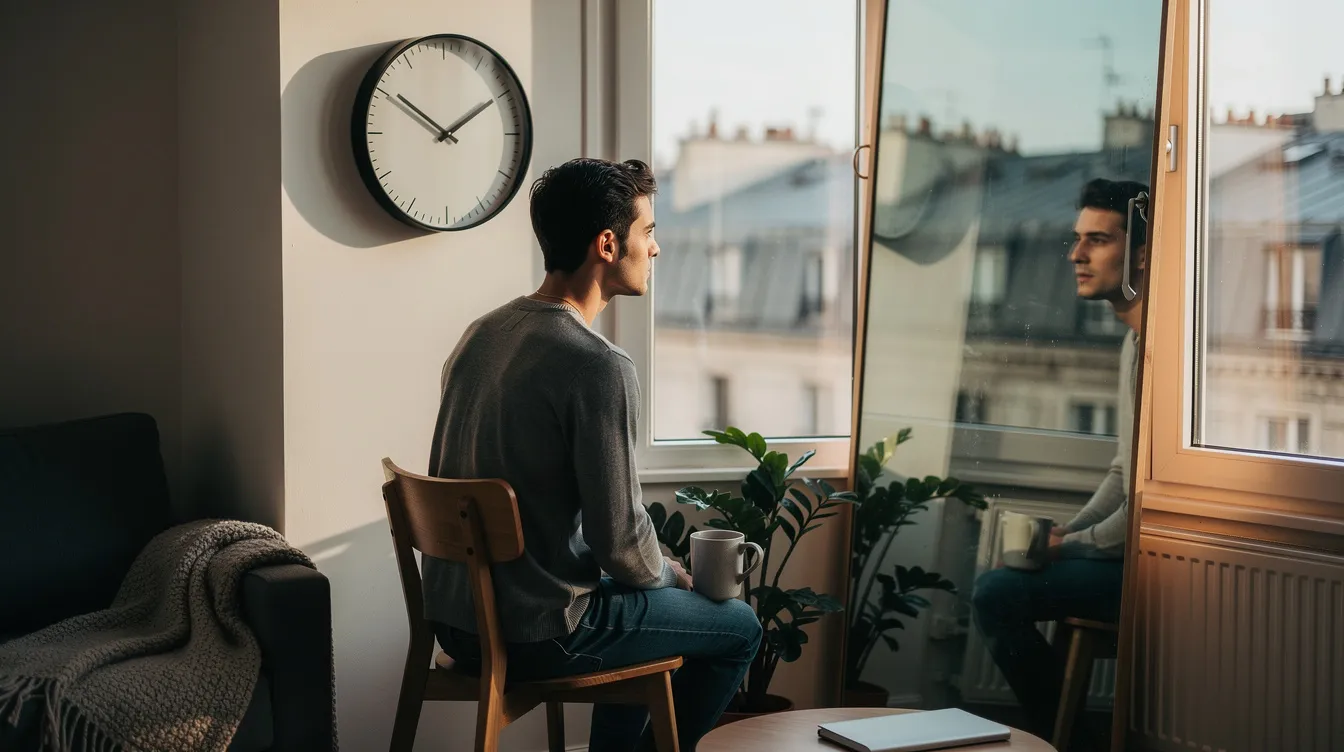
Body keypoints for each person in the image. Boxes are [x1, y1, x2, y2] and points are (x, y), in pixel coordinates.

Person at [423, 157, 762, 752]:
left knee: (631, 601)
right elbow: (624, 547)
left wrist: (644, 576)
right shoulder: (595, 364)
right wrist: (672, 573)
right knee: (738, 626)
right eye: (648, 231)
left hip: (458, 625)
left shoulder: (481, 334)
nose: (655, 249)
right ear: (608, 244)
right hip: (535, 632)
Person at [970, 177, 1147, 738]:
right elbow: (1125, 470)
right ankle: (1065, 735)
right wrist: (1074, 529)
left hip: (1159, 568)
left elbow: (1150, 501)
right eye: (1077, 239)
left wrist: (1069, 545)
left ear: (1142, 252)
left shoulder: (1165, 347)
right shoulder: (1133, 341)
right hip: (1128, 552)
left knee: (997, 592)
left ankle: (1068, 741)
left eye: (1097, 240)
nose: (1076, 255)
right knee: (1004, 574)